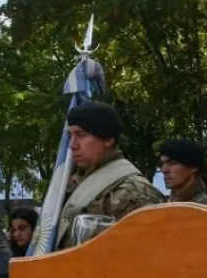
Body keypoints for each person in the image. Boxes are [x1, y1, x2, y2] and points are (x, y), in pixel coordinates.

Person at [56, 100, 164, 249]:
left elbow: (147, 252)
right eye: (70, 135)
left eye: (81, 134)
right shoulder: (71, 183)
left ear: (108, 139)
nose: (72, 145)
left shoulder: (135, 192)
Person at [158, 139, 207, 211]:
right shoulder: (159, 208)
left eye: (172, 163)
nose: (164, 170)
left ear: (193, 166)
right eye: (161, 164)